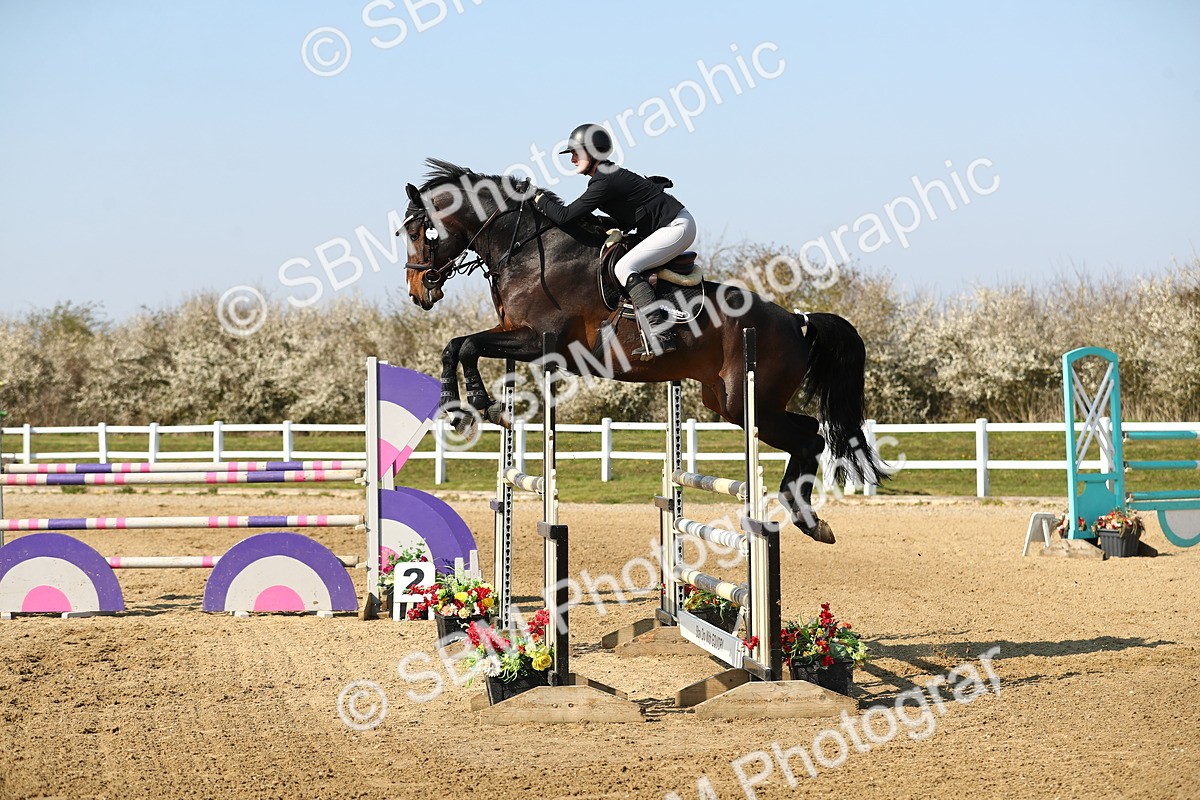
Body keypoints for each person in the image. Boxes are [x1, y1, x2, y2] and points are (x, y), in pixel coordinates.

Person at [532, 123, 696, 359]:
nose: (572, 160)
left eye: (576, 153)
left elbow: (565, 216)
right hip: (668, 226)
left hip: (676, 227)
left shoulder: (604, 181)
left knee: (625, 267)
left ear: (592, 152)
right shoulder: (605, 177)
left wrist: (538, 200)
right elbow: (620, 218)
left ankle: (660, 334)